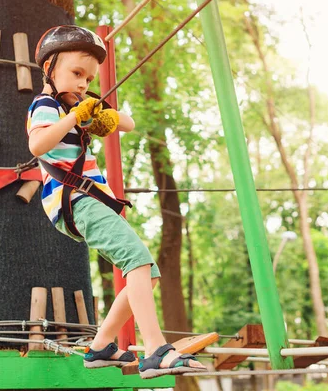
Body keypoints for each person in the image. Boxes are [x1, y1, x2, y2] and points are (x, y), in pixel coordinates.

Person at [26, 25, 206, 379]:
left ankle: (101, 346)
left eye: (89, 78)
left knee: (147, 273)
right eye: (76, 73)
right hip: (75, 199)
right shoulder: (45, 105)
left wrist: (104, 116)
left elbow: (129, 123)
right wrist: (73, 118)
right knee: (136, 261)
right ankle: (156, 349)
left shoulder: (79, 104)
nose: (82, 83)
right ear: (49, 67)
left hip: (90, 201)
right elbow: (37, 146)